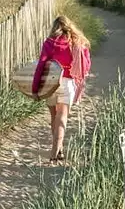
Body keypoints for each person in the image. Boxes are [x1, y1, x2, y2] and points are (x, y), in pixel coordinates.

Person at [31, 16, 92, 163]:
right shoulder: (78, 43)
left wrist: (35, 88)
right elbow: (87, 64)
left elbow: (41, 66)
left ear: (55, 27)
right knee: (62, 117)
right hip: (68, 82)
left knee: (54, 117)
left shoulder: (50, 43)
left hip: (50, 82)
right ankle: (56, 149)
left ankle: (58, 148)